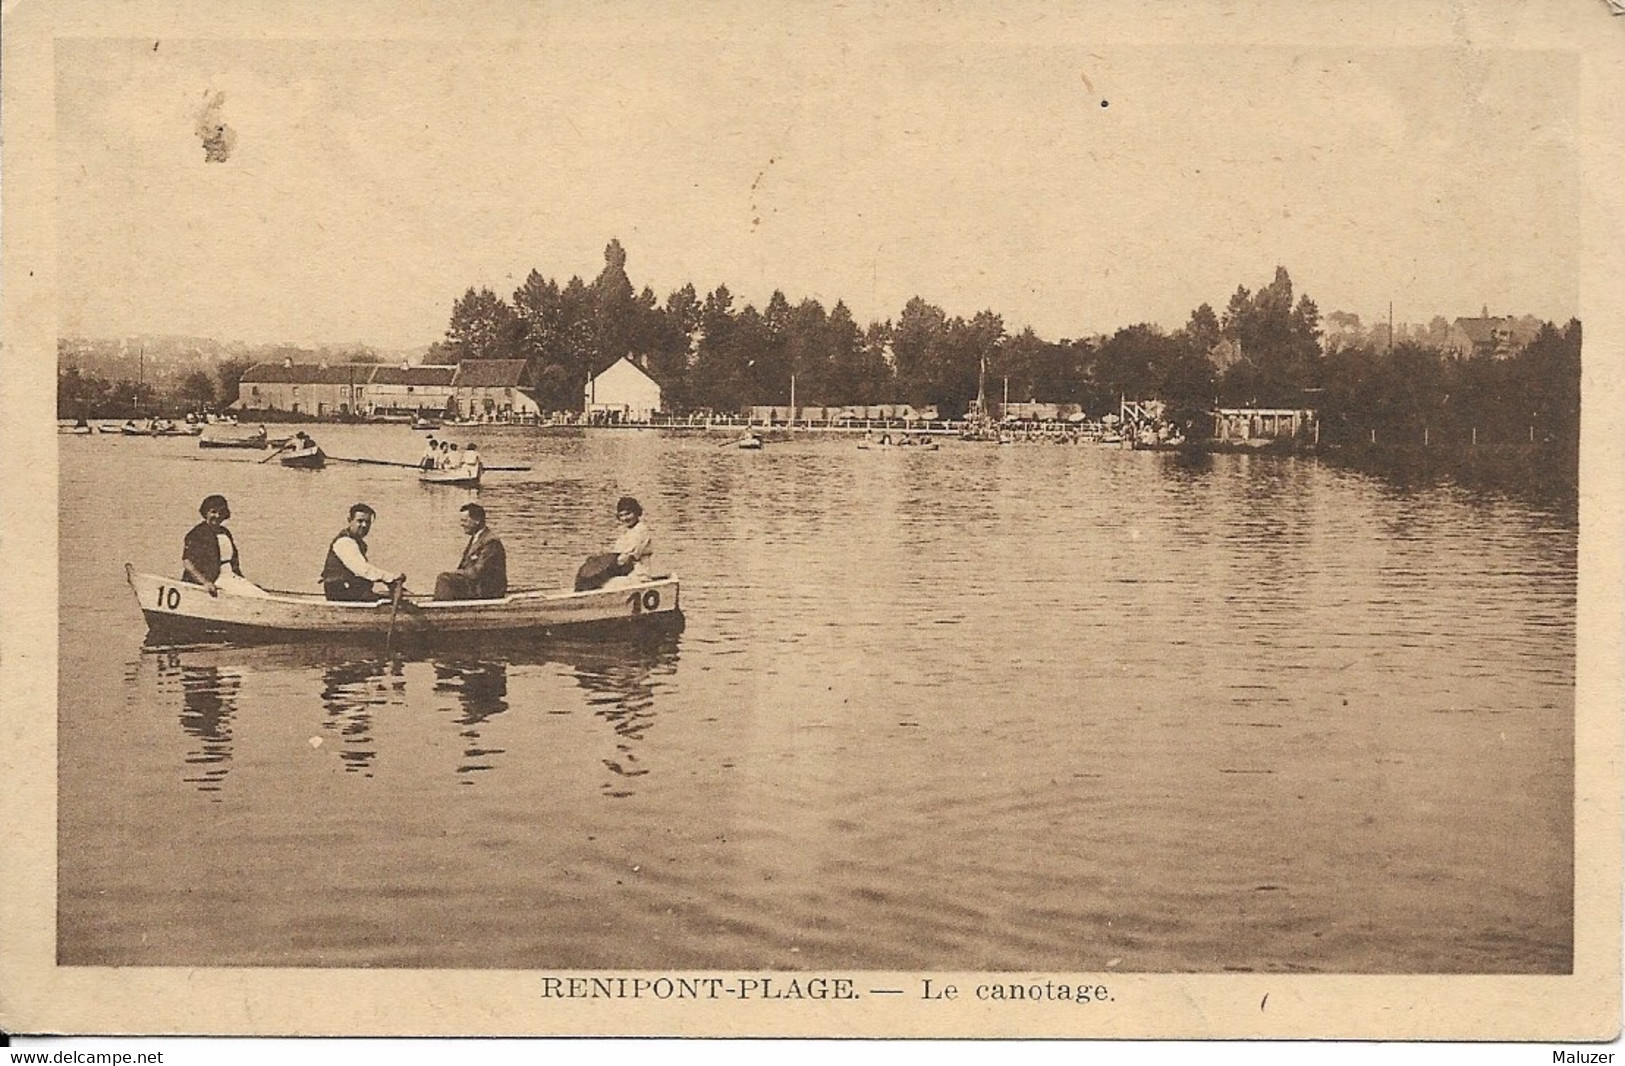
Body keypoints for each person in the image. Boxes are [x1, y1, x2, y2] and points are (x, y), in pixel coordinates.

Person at [182, 494, 266, 597]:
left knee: (259, 594)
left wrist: (244, 582)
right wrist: (205, 582)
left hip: (230, 577)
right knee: (252, 595)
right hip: (214, 579)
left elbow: (233, 562)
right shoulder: (197, 533)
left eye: (221, 512)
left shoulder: (225, 532)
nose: (217, 516)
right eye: (213, 512)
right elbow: (187, 562)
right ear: (205, 512)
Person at [320, 503, 405, 602]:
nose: (364, 525)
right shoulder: (344, 542)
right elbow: (362, 569)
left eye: (367, 522)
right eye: (360, 521)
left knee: (392, 596)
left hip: (352, 593)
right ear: (350, 521)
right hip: (341, 595)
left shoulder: (358, 543)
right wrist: (390, 578)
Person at [433, 502, 507, 600]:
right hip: (475, 586)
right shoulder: (476, 538)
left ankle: (439, 611)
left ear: (477, 520)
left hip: (486, 591)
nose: (461, 524)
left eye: (465, 521)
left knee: (444, 579)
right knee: (446, 580)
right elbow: (465, 567)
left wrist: (453, 575)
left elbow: (477, 572)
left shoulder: (491, 541)